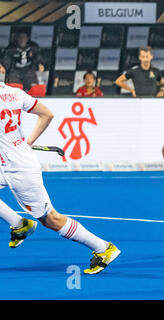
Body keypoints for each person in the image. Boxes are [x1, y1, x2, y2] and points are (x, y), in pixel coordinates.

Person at [0, 82, 120, 274]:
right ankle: (19, 223)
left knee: (50, 219)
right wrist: (27, 142)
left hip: (19, 168)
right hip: (11, 160)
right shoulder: (15, 93)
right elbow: (47, 114)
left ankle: (103, 248)